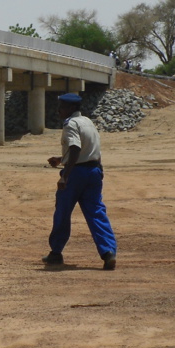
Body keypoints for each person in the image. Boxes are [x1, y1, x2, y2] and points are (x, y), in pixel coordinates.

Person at [42, 93, 118, 269]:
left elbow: (76, 148)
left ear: (70, 108)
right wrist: (62, 159)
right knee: (96, 212)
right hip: (94, 171)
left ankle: (56, 252)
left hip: (76, 174)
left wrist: (65, 175)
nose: (58, 110)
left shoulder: (71, 124)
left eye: (61, 106)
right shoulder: (88, 122)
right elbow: (90, 151)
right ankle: (108, 252)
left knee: (62, 211)